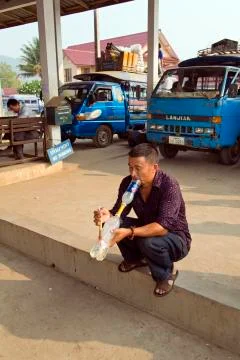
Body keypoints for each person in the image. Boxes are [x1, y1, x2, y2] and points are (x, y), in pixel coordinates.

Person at [94, 143, 192, 297]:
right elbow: (119, 211)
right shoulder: (129, 183)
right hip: (148, 229)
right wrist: (107, 215)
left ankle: (166, 273)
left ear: (154, 167)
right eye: (130, 167)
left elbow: (163, 227)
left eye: (138, 168)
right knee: (113, 223)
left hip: (175, 238)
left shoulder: (169, 185)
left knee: (148, 242)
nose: (133, 173)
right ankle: (136, 259)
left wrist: (130, 231)